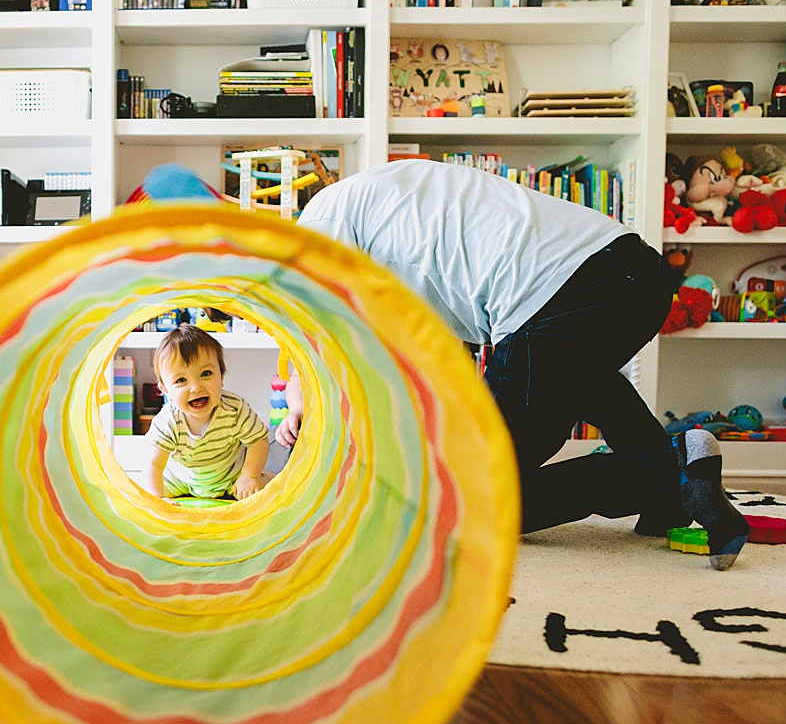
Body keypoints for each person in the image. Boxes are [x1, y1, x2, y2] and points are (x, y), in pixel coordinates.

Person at [287, 158, 750, 569]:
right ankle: (675, 486)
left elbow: (320, 327)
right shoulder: (393, 199)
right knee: (575, 371)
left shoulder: (320, 219)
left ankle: (667, 472)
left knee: (481, 497)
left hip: (554, 294)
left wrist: (299, 395)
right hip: (639, 274)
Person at [145, 324, 271, 501]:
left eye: (206, 373)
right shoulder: (168, 421)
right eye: (181, 380)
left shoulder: (234, 409)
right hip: (181, 481)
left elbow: (258, 440)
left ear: (222, 377)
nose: (196, 387)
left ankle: (269, 476)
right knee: (146, 494)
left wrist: (249, 475)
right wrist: (159, 499)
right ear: (165, 390)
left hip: (231, 478)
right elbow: (154, 465)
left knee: (268, 488)